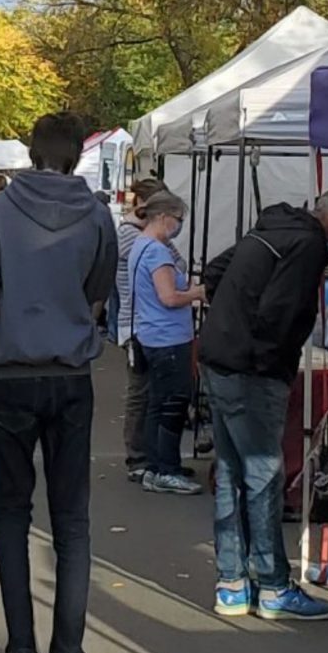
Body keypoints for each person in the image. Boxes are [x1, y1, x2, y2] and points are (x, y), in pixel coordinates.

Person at [0, 112, 117, 653]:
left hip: (10, 373)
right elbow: (101, 291)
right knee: (72, 523)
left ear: (30, 153)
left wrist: (9, 306)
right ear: (77, 156)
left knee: (10, 518)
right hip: (71, 373)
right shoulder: (99, 213)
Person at [195, 184, 328, 623]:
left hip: (219, 359)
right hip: (252, 372)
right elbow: (279, 314)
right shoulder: (307, 244)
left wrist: (230, 323)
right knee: (261, 478)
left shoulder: (270, 227)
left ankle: (232, 583)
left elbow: (216, 272)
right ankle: (272, 585)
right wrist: (270, 363)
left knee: (232, 475)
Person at [124, 191, 203, 495]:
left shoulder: (140, 246)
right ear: (163, 217)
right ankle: (166, 469)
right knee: (173, 404)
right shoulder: (158, 252)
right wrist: (196, 293)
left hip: (150, 334)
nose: (179, 225)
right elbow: (169, 297)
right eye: (178, 219)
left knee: (158, 403)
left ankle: (157, 464)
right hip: (169, 337)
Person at [111, 177, 167, 484]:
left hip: (147, 322)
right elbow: (169, 265)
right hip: (135, 324)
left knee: (151, 393)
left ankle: (149, 456)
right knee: (140, 393)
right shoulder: (131, 236)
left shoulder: (143, 236)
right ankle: (138, 457)